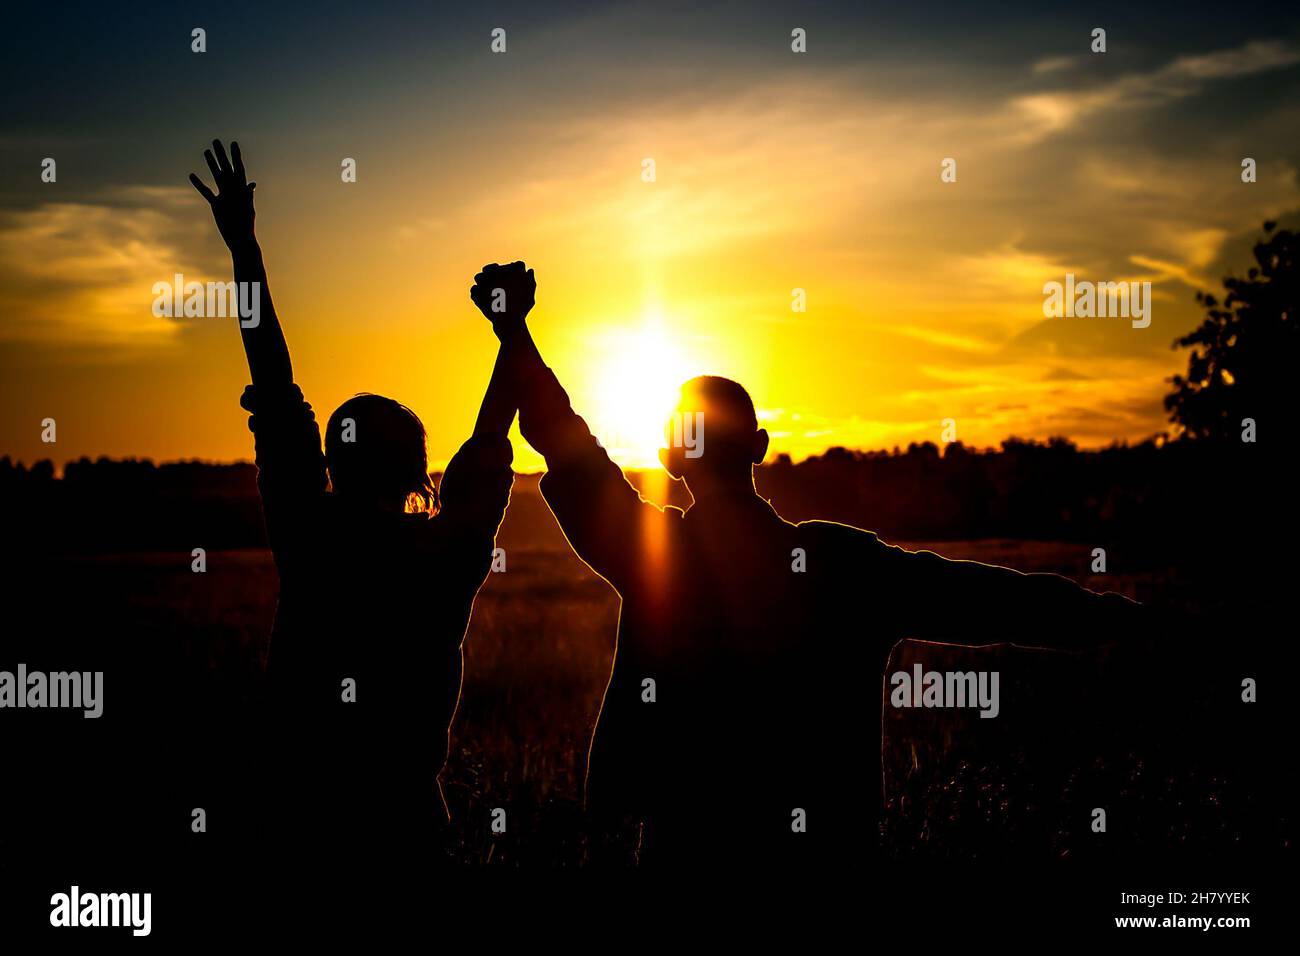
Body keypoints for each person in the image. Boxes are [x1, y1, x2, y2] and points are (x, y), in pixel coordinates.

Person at [472, 260, 1146, 867]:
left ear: (672, 460)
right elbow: (997, 600)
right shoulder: (846, 563)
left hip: (690, 857)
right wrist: (1126, 621)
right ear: (760, 447)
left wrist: (514, 331)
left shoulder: (655, 556)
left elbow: (566, 444)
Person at [189, 141, 517, 865]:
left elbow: (272, 379)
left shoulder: (310, 532)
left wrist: (245, 249)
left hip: (299, 818)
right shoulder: (447, 552)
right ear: (420, 476)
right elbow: (491, 440)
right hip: (405, 823)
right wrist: (512, 332)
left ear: (330, 464)